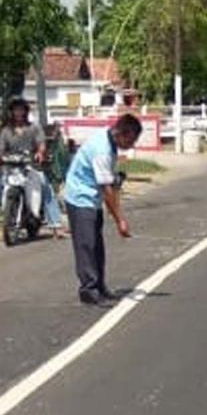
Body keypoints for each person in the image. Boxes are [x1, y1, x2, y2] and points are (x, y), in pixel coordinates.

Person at [64, 114, 142, 306]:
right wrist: (120, 221)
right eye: (130, 140)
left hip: (92, 198)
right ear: (122, 134)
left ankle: (99, 285)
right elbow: (107, 190)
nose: (131, 145)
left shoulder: (109, 143)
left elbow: (111, 185)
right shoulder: (102, 150)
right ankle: (88, 290)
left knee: (97, 245)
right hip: (80, 197)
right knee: (86, 245)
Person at [0, 97, 52, 227]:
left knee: (44, 187)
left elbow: (41, 143)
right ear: (11, 112)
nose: (18, 113)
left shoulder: (34, 128)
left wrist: (40, 153)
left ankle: (52, 220)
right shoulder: (6, 131)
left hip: (31, 166)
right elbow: (0, 148)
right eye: (15, 110)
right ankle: (5, 211)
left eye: (21, 110)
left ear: (25, 112)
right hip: (11, 168)